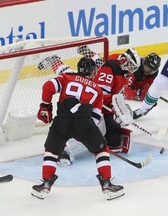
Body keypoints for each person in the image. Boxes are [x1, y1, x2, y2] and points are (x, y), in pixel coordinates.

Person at [31, 57, 124, 200]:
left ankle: (45, 183)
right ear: (93, 72)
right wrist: (85, 133)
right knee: (101, 150)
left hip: (61, 120)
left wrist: (45, 106)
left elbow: (48, 86)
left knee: (52, 151)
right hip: (84, 122)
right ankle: (107, 183)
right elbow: (95, 116)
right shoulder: (97, 89)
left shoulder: (66, 77)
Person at [92, 48, 141, 153]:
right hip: (96, 109)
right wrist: (116, 107)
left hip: (108, 108)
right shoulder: (109, 69)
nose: (132, 70)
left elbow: (119, 94)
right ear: (125, 61)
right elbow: (100, 96)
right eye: (131, 66)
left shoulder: (125, 72)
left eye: (134, 68)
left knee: (113, 140)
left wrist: (121, 107)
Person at [77, 45, 161, 101]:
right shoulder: (133, 68)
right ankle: (89, 53)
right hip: (112, 63)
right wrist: (137, 94)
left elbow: (148, 86)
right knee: (100, 63)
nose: (147, 71)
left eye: (151, 70)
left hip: (118, 65)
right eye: (146, 67)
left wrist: (149, 91)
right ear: (144, 62)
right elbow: (123, 90)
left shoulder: (151, 72)